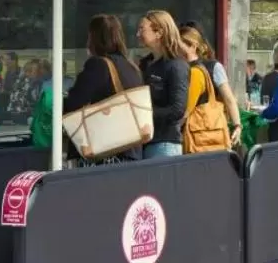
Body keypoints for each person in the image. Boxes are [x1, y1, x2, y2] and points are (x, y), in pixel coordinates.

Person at [63, 15, 145, 164]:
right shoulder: (131, 66)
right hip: (131, 148)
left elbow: (75, 101)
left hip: (106, 151)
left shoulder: (98, 65)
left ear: (93, 37)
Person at [136, 10, 189, 158]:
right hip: (146, 142)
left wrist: (146, 114)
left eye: (142, 29)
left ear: (159, 32)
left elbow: (178, 109)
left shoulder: (176, 65)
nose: (138, 34)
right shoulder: (146, 64)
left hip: (165, 143)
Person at [179, 26, 243, 146]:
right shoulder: (178, 67)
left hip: (203, 129)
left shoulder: (212, 67)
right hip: (196, 130)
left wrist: (237, 125)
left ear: (193, 45)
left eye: (179, 45)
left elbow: (229, 98)